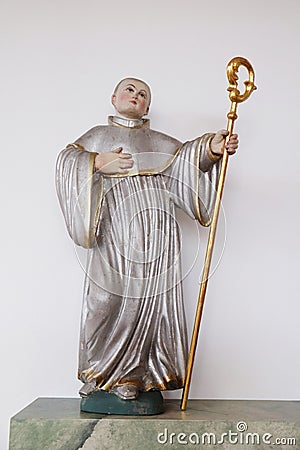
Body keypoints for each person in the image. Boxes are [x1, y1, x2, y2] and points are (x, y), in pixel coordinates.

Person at [56, 78, 238, 401]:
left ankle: (133, 376)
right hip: (113, 235)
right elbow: (67, 162)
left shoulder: (159, 142)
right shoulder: (96, 138)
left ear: (148, 108)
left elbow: (186, 163)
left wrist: (211, 148)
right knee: (105, 302)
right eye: (130, 90)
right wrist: (97, 162)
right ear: (113, 97)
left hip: (157, 236)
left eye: (143, 95)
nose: (136, 96)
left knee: (143, 308)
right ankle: (99, 373)